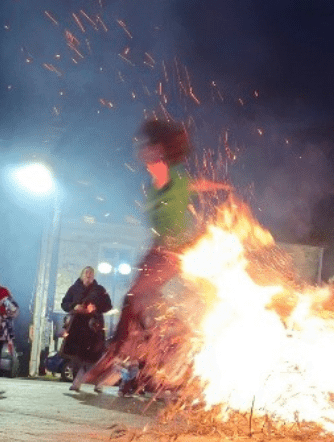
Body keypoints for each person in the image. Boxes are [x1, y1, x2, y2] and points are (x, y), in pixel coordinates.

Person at [86, 118, 228, 389]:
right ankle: (156, 352)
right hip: (161, 248)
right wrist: (213, 186)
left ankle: (120, 353)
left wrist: (215, 189)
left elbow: (179, 179)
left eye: (146, 147)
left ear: (160, 149)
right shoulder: (170, 176)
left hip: (172, 250)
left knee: (135, 297)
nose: (140, 152)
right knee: (144, 304)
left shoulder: (165, 173)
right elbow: (191, 184)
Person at [60, 266, 112, 392]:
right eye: (86, 273)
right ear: (82, 275)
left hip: (94, 327)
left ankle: (98, 383)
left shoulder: (100, 290)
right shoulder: (74, 289)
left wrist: (96, 308)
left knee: (95, 356)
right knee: (78, 356)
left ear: (94, 276)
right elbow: (64, 304)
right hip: (77, 327)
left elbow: (108, 306)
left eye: (91, 273)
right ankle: (77, 382)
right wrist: (75, 306)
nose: (89, 275)